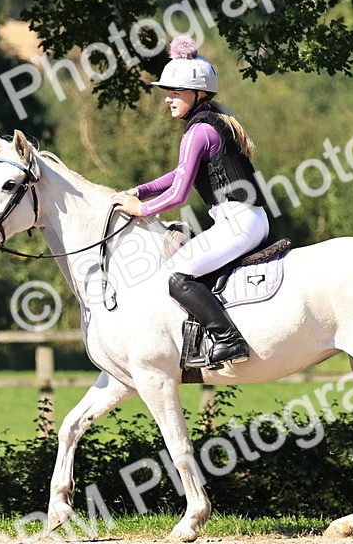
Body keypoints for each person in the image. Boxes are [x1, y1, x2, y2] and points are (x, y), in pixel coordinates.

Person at [111, 37, 269, 366]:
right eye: (168, 92)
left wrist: (141, 210)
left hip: (238, 224)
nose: (168, 99)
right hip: (245, 219)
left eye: (175, 92)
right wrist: (140, 190)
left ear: (197, 94)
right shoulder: (213, 120)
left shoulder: (198, 131)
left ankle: (228, 339)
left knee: (176, 274)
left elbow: (179, 193)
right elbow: (179, 174)